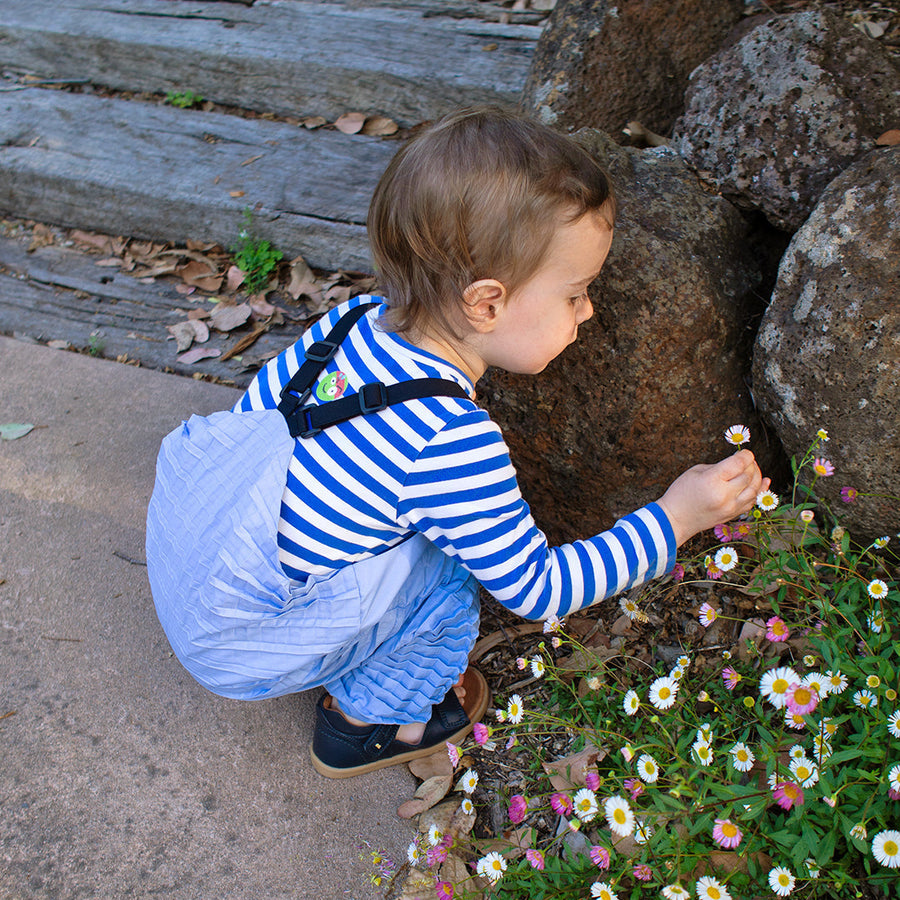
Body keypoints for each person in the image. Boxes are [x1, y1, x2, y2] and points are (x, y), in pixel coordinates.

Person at [146, 107, 768, 779]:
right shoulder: (450, 438)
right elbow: (539, 589)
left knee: (411, 534)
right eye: (577, 293)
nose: (589, 311)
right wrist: (675, 518)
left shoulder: (349, 322)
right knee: (446, 582)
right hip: (239, 647)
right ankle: (369, 722)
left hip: (196, 565)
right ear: (487, 305)